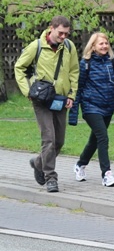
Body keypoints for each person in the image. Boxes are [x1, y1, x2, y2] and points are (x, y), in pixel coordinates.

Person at [14, 16, 79, 193]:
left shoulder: (69, 47)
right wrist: (27, 91)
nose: (63, 36)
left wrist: (72, 95)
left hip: (60, 99)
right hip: (41, 99)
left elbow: (74, 71)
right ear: (51, 28)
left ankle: (38, 163)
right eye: (60, 33)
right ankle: (50, 177)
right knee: (48, 139)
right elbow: (19, 67)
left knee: (59, 141)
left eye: (66, 33)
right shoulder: (37, 46)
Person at [68, 32, 114, 187]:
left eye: (106, 43)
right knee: (103, 137)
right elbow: (78, 88)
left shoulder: (112, 62)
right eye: (101, 43)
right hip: (91, 106)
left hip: (107, 107)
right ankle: (107, 174)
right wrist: (73, 114)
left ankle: (80, 164)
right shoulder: (85, 63)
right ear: (92, 46)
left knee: (95, 139)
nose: (104, 46)